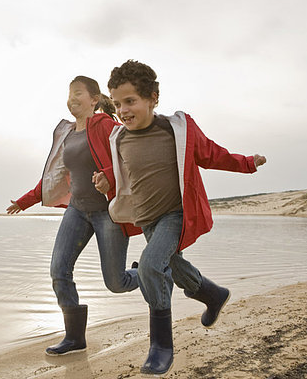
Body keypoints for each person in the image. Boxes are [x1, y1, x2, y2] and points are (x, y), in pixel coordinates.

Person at [94, 60, 267, 375]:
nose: (123, 110)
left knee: (149, 267)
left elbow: (211, 153)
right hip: (145, 218)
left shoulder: (176, 129)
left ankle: (161, 346)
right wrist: (107, 178)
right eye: (117, 103)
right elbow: (124, 171)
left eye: (130, 101)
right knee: (173, 266)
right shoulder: (119, 138)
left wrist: (246, 163)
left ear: (153, 98)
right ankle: (213, 294)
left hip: (175, 215)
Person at [6, 75, 142, 356]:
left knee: (116, 283)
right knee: (59, 271)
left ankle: (144, 273)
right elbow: (56, 177)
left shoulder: (106, 125)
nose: (72, 99)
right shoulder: (67, 134)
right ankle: (74, 338)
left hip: (108, 213)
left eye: (78, 93)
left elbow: (129, 155)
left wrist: (107, 176)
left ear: (94, 99)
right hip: (77, 211)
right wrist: (25, 201)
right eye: (69, 94)